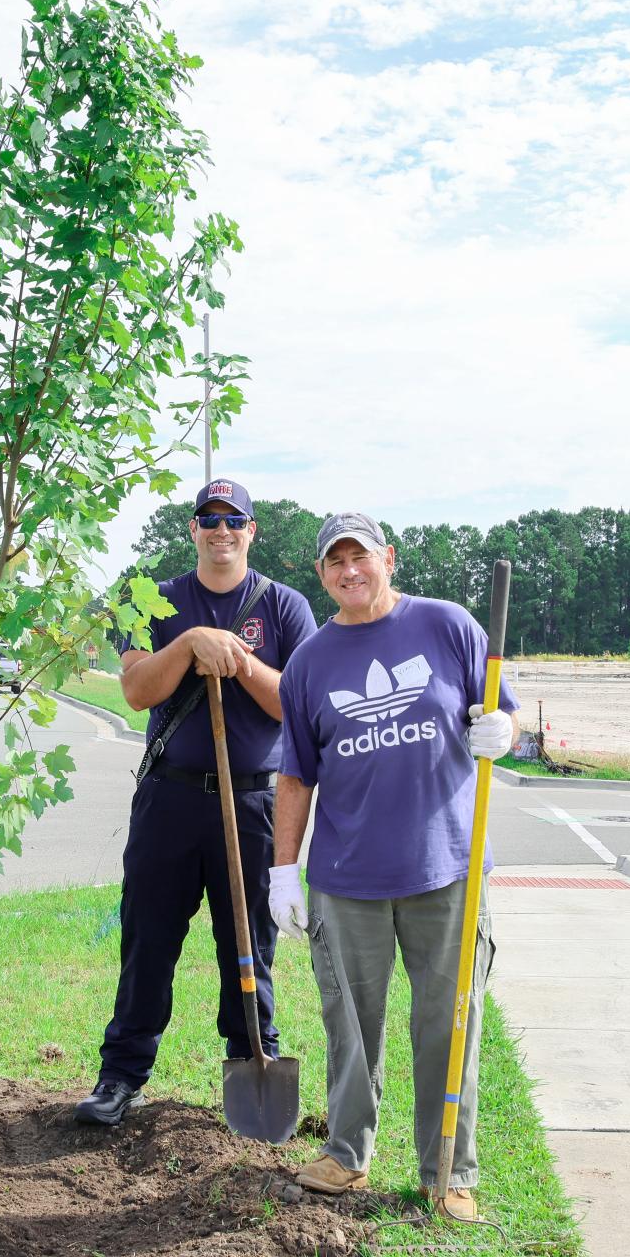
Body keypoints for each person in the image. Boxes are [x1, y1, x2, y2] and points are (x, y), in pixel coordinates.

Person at [268, 512, 516, 1218]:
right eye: (335, 561)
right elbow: (295, 776)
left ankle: (447, 1170)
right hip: (347, 880)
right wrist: (284, 871)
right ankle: (347, 1154)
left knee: (449, 1022)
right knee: (350, 1024)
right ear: (322, 574)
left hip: (448, 870)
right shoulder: (312, 662)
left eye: (361, 556)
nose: (350, 570)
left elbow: (504, 714)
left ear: (389, 559)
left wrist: (505, 730)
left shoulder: (449, 626)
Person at [76, 478, 317, 1126]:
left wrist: (235, 658)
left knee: (248, 945)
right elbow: (135, 689)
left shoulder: (287, 607)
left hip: (251, 805)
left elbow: (296, 704)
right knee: (147, 943)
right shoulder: (152, 600)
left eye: (233, 519)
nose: (221, 530)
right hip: (169, 801)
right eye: (208, 519)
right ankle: (121, 1075)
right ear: (192, 530)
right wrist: (187, 644)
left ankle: (253, 1067)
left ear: (251, 530)